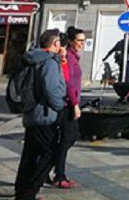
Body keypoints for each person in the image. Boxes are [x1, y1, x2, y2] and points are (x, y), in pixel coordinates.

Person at [14, 29, 67, 200]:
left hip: (31, 112)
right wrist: (60, 106)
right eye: (59, 42)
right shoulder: (49, 62)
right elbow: (51, 88)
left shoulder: (33, 58)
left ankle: (21, 192)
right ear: (55, 44)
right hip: (45, 114)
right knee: (51, 152)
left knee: (29, 155)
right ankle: (29, 192)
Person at [51, 26, 85, 189]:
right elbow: (69, 83)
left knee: (68, 138)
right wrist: (75, 104)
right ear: (71, 42)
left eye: (83, 41)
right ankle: (58, 174)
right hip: (68, 104)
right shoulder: (69, 58)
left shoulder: (73, 57)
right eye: (79, 40)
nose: (82, 44)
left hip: (70, 102)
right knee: (67, 139)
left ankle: (52, 171)